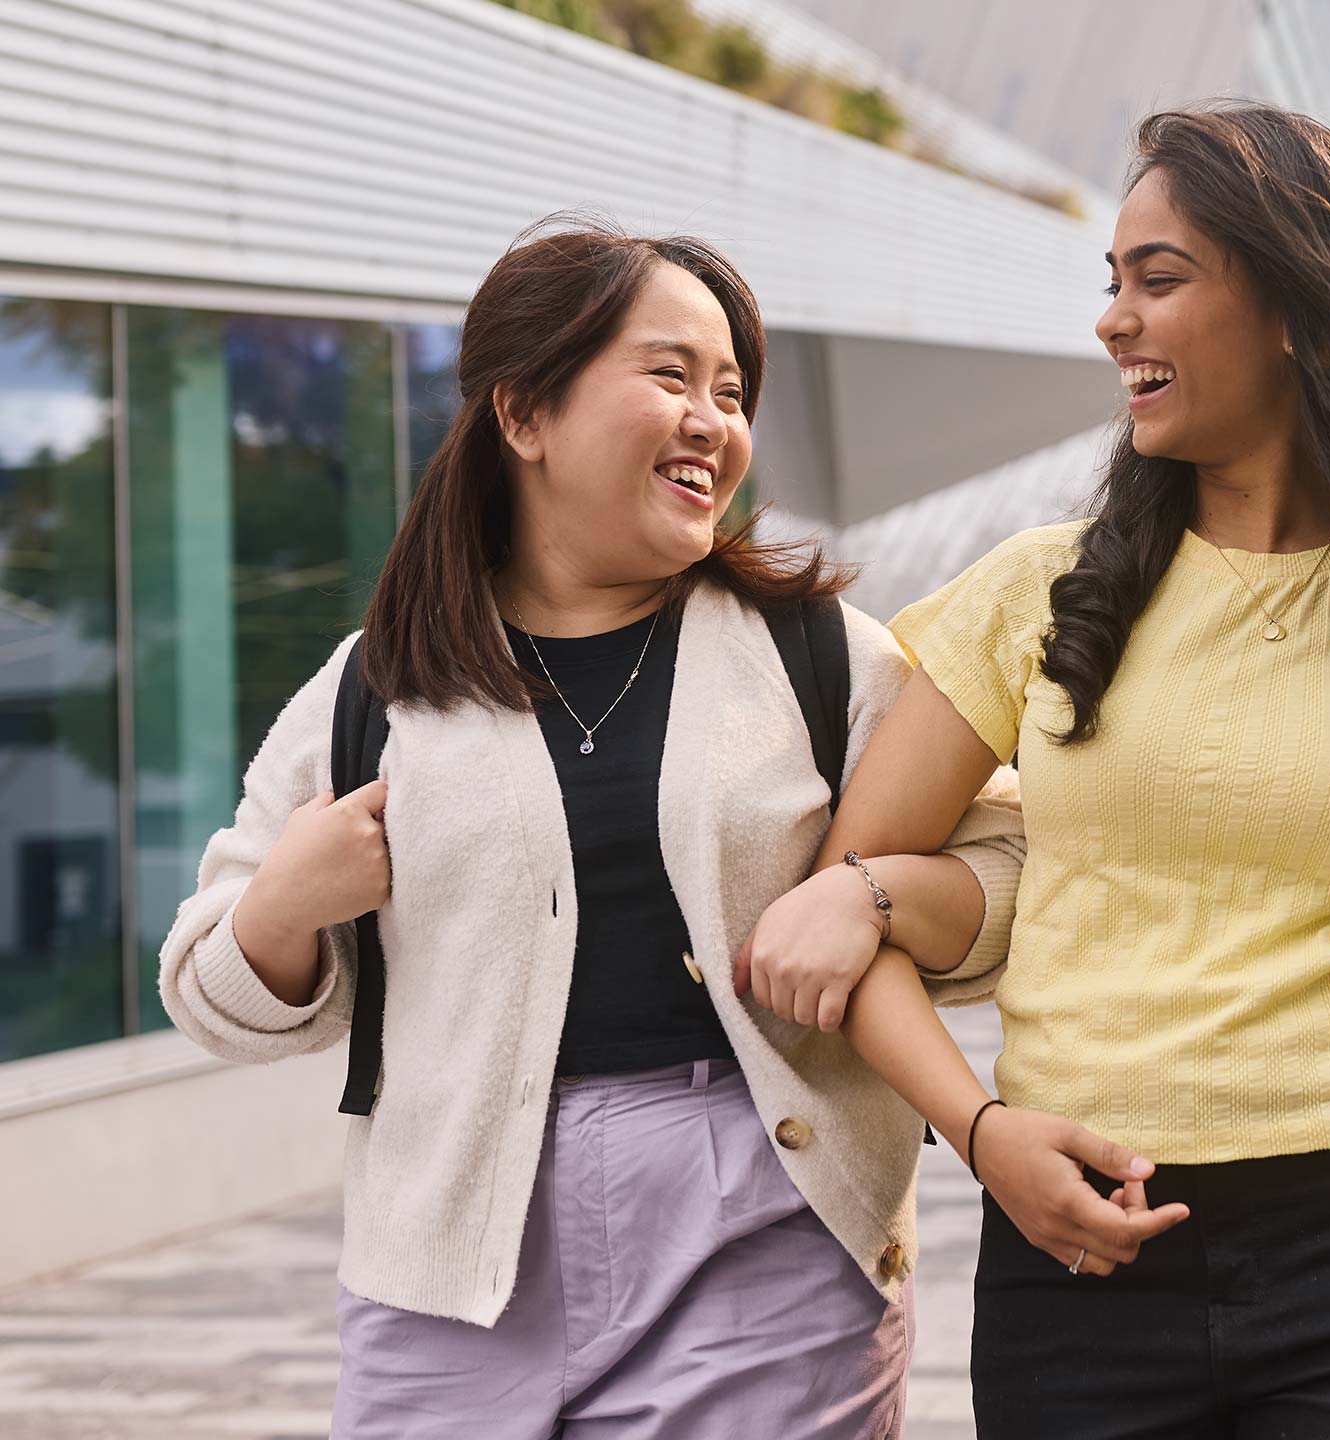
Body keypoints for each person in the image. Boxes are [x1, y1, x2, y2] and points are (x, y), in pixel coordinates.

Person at [739, 106, 1330, 1440]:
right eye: (1113, 283)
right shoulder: (1037, 598)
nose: (1114, 322)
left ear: (1299, 308)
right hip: (1080, 1258)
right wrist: (982, 1134)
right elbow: (847, 916)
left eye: (1160, 279)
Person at [158, 220, 1026, 1440]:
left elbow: (1014, 862)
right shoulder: (377, 687)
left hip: (763, 1230)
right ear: (523, 414)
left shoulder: (818, 656)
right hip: (446, 1270)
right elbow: (208, 994)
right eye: (671, 375)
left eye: (732, 391)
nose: (713, 420)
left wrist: (871, 900)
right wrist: (285, 903)